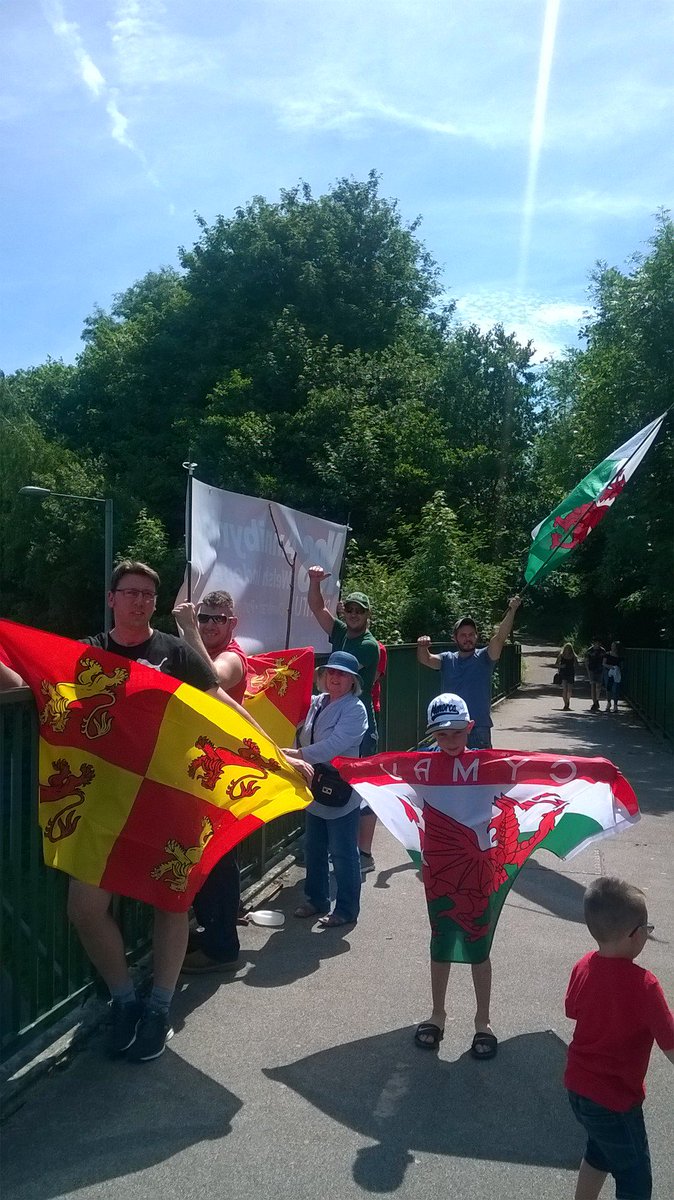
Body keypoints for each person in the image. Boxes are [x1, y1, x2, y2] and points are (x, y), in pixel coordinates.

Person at [0, 561, 310, 1063]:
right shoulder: (90, 653)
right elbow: (28, 683)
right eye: (130, 592)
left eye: (147, 594)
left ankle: (158, 1008)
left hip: (171, 792)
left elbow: (221, 708)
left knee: (172, 902)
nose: (139, 601)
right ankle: (125, 998)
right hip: (106, 801)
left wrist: (270, 751)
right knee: (84, 907)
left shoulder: (177, 653)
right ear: (112, 598)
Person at [564, 877, 674, 1200]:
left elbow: (572, 1008)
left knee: (598, 1153)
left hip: (578, 1089)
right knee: (635, 1179)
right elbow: (671, 1046)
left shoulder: (583, 966)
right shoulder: (645, 986)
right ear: (633, 935)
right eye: (646, 927)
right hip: (615, 1100)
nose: (647, 933)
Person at [414, 693, 497, 1058]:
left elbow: (530, 777)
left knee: (478, 942)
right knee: (441, 939)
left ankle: (484, 1021)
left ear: (470, 729)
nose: (450, 741)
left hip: (479, 866)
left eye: (457, 733)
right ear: (432, 734)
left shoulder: (489, 766)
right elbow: (398, 800)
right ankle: (437, 1014)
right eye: (442, 735)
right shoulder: (420, 766)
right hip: (439, 867)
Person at [172, 591, 249, 974]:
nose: (209, 624)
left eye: (218, 618)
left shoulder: (232, 656)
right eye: (203, 618)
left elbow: (212, 680)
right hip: (202, 765)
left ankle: (221, 948)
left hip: (219, 768)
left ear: (232, 623)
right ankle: (214, 931)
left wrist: (187, 628)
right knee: (207, 854)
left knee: (216, 857)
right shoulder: (198, 644)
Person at [307, 568, 380, 874]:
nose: (352, 615)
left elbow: (345, 678)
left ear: (367, 615)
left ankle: (361, 854)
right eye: (348, 609)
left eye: (358, 611)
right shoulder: (339, 632)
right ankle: (334, 850)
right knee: (333, 782)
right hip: (336, 719)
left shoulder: (368, 646)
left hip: (357, 726)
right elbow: (316, 608)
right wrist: (314, 582)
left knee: (360, 789)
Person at [288, 651, 368, 928]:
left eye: (342, 674)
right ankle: (317, 900)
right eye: (331, 672)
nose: (335, 677)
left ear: (352, 681)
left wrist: (297, 755)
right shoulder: (317, 702)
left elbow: (334, 746)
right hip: (315, 785)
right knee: (315, 847)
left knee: (344, 851)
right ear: (323, 676)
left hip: (340, 788)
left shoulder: (355, 709)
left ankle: (346, 909)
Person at [416, 597, 522, 750]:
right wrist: (422, 646)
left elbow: (500, 638)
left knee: (481, 773)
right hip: (451, 729)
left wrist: (512, 610)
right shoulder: (447, 659)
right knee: (450, 773)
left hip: (478, 728)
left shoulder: (485, 657)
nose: (468, 639)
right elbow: (425, 659)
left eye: (471, 635)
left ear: (476, 636)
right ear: (455, 638)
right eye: (463, 635)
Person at [584, 638, 606, 712]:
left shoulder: (603, 651)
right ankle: (594, 702)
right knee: (593, 686)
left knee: (598, 686)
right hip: (592, 670)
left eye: (598, 643)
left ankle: (597, 699)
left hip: (599, 670)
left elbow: (604, 661)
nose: (597, 644)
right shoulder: (589, 651)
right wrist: (588, 671)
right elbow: (586, 661)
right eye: (595, 643)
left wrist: (603, 670)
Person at [556, 642, 579, 711]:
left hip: (571, 672)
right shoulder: (561, 655)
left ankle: (568, 700)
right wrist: (561, 666)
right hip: (563, 672)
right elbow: (556, 664)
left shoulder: (574, 656)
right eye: (566, 648)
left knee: (569, 690)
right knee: (565, 689)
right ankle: (565, 704)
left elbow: (577, 664)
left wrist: (575, 665)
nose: (567, 650)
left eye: (569, 649)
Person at [602, 641, 623, 714]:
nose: (612, 647)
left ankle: (615, 705)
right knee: (608, 688)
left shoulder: (619, 656)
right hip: (608, 672)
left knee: (615, 688)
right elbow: (604, 663)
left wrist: (617, 669)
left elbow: (621, 665)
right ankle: (608, 703)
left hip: (616, 673)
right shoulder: (607, 654)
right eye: (612, 646)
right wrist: (610, 667)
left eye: (614, 646)